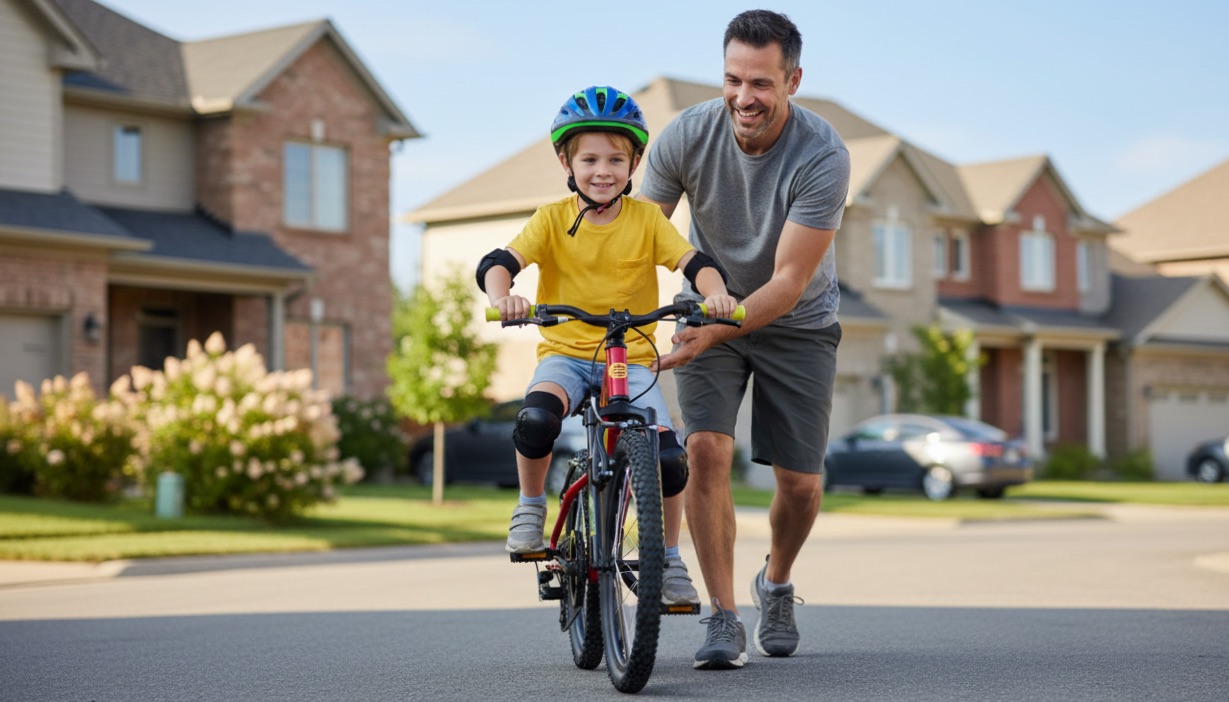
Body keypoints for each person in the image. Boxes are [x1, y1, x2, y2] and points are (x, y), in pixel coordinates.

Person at [637, 10, 851, 670]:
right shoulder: (685, 135)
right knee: (704, 449)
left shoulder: (822, 154)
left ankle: (776, 583)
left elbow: (788, 280)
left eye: (760, 84)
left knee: (799, 484)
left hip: (797, 323)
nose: (743, 98)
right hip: (710, 310)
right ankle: (723, 615)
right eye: (732, 80)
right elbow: (638, 237)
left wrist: (711, 328)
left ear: (792, 79)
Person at [478, 85, 738, 609]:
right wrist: (505, 298)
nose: (603, 170)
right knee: (535, 419)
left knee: (668, 456)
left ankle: (665, 560)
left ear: (634, 162)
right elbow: (498, 262)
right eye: (590, 158)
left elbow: (695, 264)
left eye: (616, 159)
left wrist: (718, 295)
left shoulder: (646, 220)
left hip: (632, 358)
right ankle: (531, 508)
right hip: (566, 355)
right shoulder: (551, 219)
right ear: (566, 162)